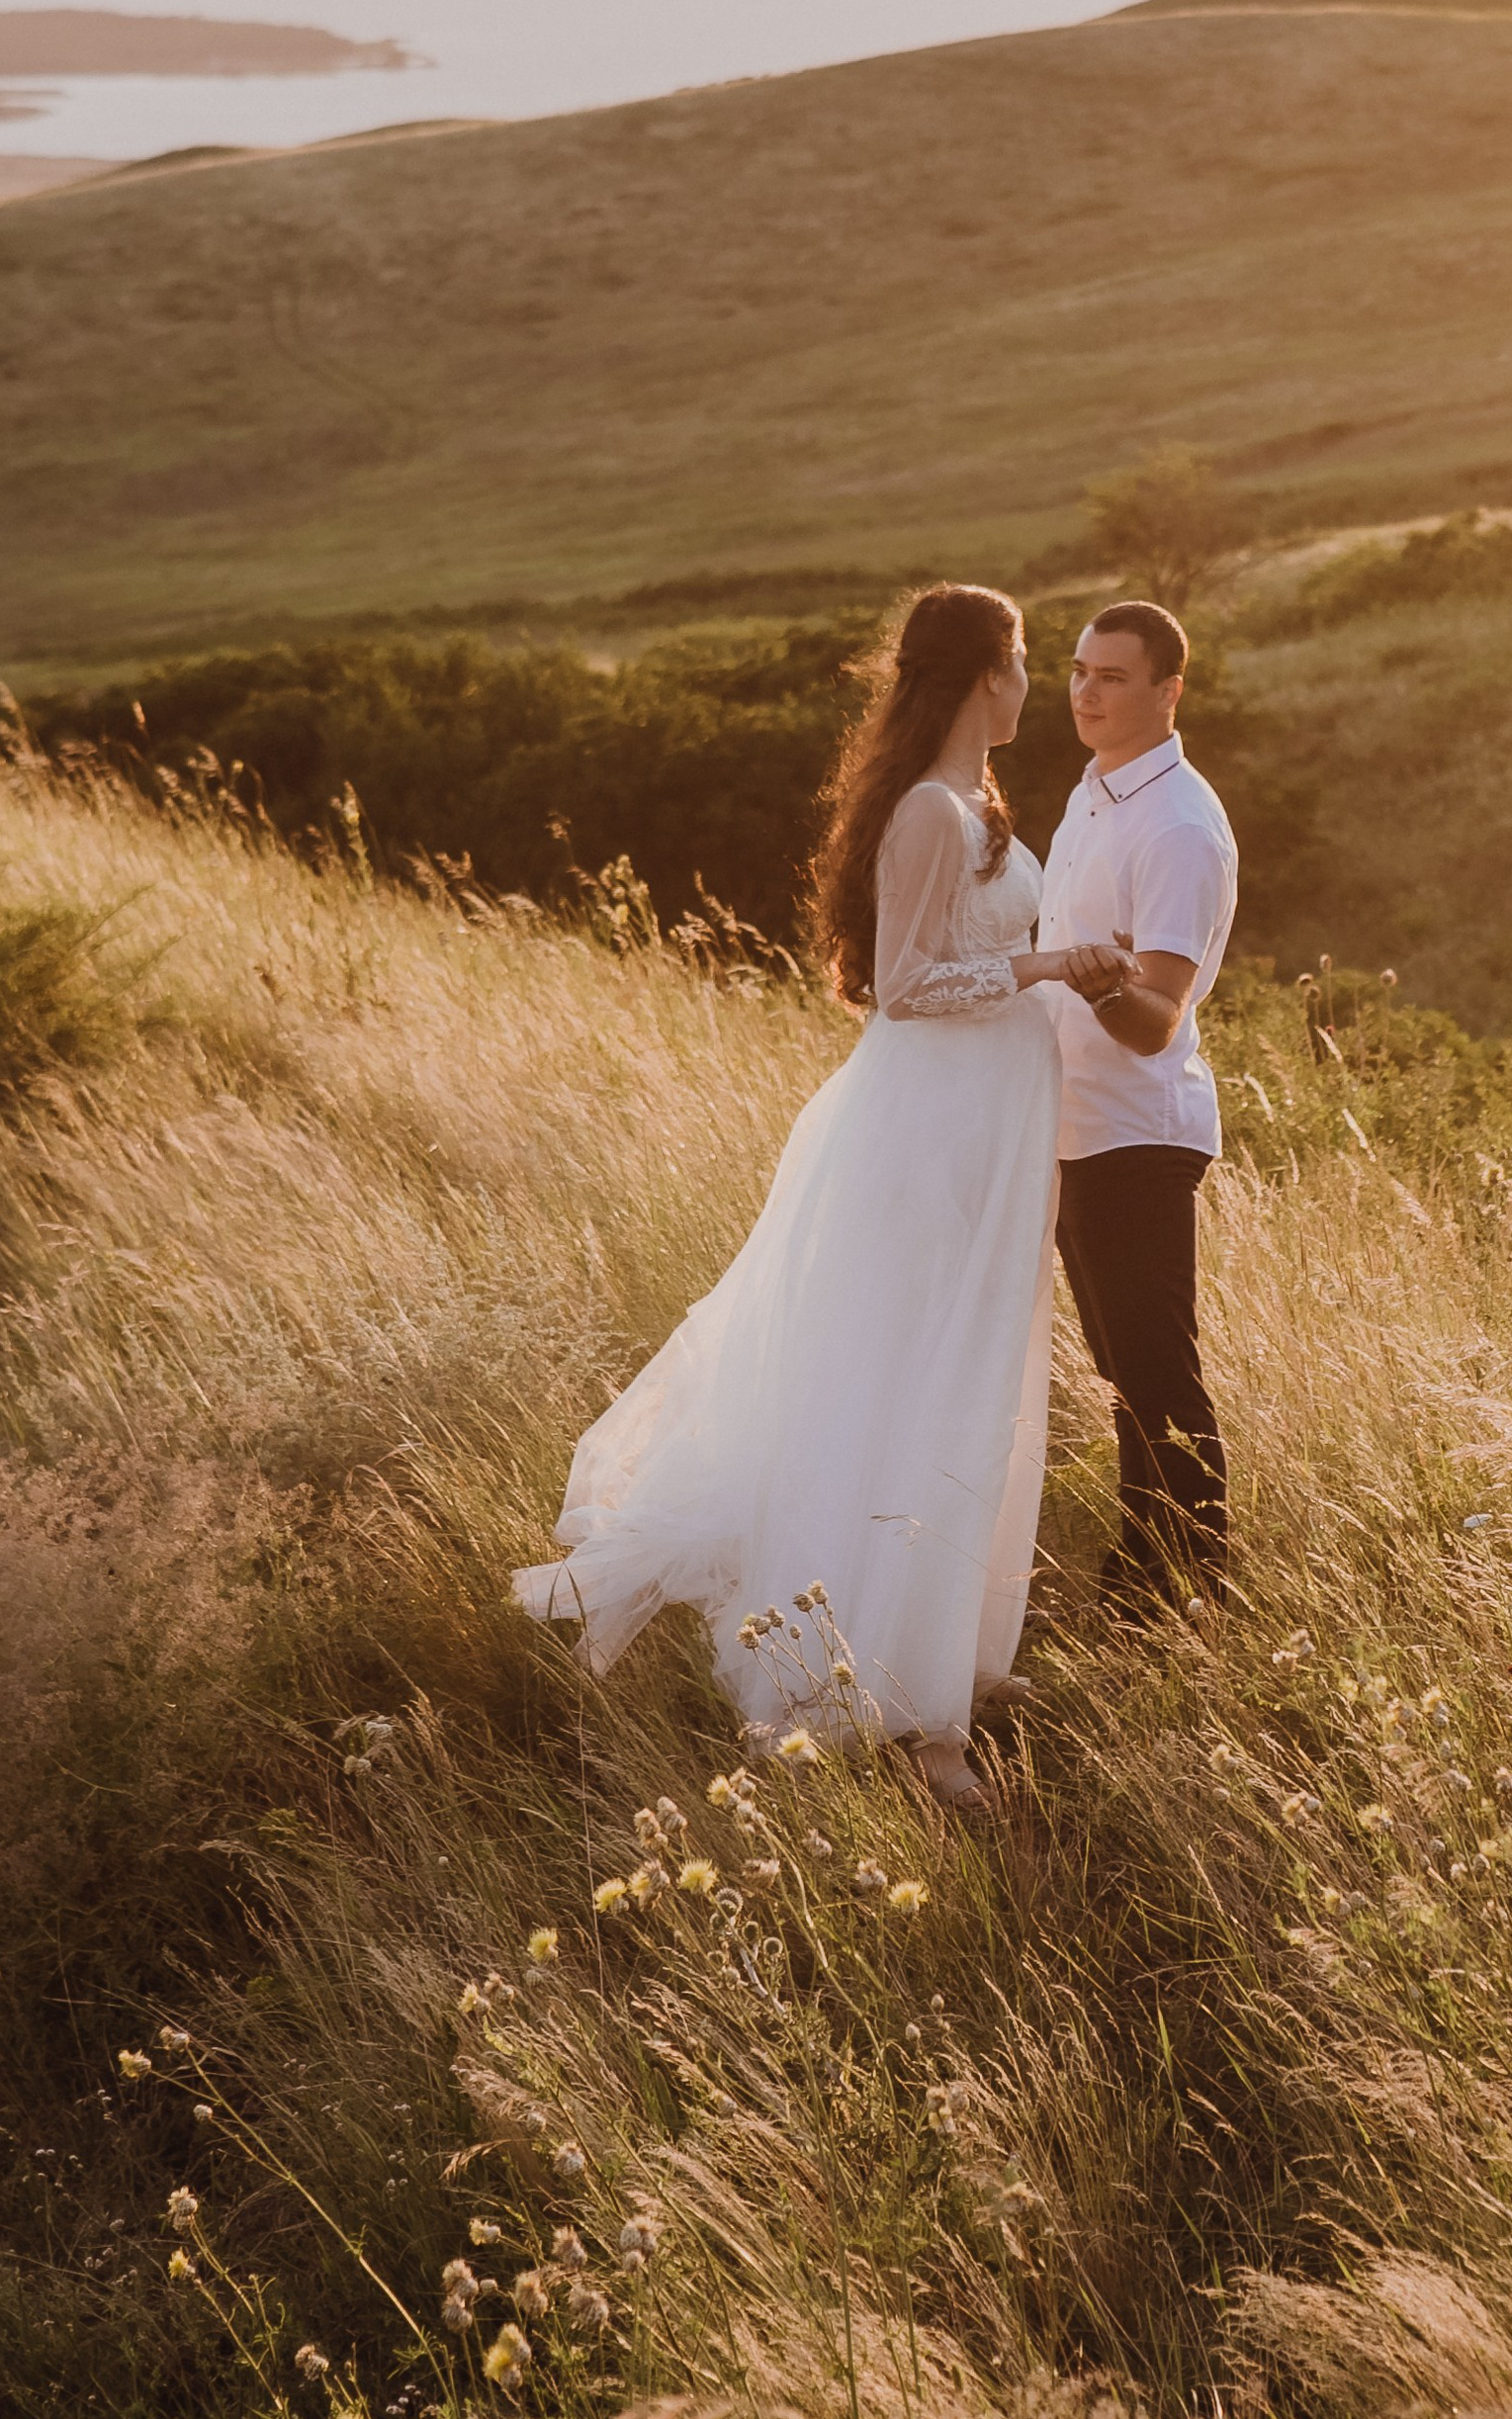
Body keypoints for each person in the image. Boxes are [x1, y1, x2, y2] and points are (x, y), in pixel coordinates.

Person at [510, 584, 1132, 1807]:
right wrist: (1053, 960)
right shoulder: (926, 814)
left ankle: (941, 1660)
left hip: (986, 1137)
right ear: (975, 678)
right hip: (929, 1135)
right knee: (916, 1392)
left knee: (970, 1387)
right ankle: (906, 1712)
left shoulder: (978, 804)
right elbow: (902, 985)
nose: (1028, 687)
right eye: (1015, 662)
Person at [1034, 599, 1241, 1609]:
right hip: (1075, 1127)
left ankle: (1195, 1583)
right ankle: (1141, 1569)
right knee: (1123, 1369)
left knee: (1157, 1371)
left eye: (1113, 678)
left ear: (1168, 692)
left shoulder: (1177, 825)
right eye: (1078, 671)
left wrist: (1092, 982)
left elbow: (1156, 1017)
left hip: (1137, 1133)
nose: (1085, 692)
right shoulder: (1094, 794)